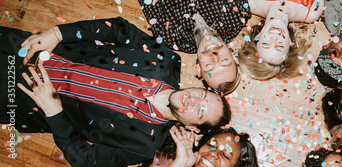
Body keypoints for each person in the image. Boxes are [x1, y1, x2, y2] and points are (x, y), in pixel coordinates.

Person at [0, 18, 230, 166]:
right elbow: (119, 30)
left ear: (191, 127)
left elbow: (85, 159)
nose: (193, 100)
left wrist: (54, 113)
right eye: (203, 96)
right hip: (29, 49)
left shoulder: (145, 146)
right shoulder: (167, 61)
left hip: (18, 100)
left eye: (200, 111)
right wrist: (58, 33)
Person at [138, 0, 250, 94]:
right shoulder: (236, 16)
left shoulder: (168, 37)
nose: (213, 56)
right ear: (234, 56)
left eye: (209, 65)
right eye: (224, 60)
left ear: (199, 68)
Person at [238, 0, 324, 80]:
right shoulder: (312, 13)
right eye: (280, 46)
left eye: (266, 43)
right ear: (290, 42)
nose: (274, 38)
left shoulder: (249, 2)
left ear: (258, 36)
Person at [147, 126, 258, 167]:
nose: (213, 153)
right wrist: (180, 164)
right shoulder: (166, 163)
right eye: (211, 144)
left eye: (225, 155)